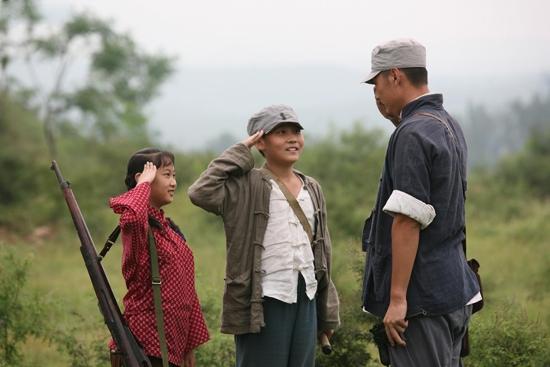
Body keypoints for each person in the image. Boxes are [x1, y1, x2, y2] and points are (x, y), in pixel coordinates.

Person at [188, 105, 340, 367]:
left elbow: (323, 254)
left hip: (306, 296)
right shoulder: (246, 185)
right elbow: (200, 192)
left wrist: (325, 315)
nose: (292, 138)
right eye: (281, 133)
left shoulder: (312, 188)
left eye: (296, 132)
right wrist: (241, 150)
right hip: (264, 299)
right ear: (261, 143)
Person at [361, 39, 481, 367]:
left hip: (421, 300)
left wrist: (398, 299)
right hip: (452, 290)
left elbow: (408, 220)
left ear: (395, 76)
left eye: (377, 83)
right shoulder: (446, 124)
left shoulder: (412, 133)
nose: (376, 94)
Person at [109, 148, 209, 367]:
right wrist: (143, 184)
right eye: (166, 175)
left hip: (174, 342)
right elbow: (133, 217)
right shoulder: (137, 227)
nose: (173, 182)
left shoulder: (169, 229)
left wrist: (189, 344)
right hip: (146, 346)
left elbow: (187, 290)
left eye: (174, 175)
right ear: (143, 178)